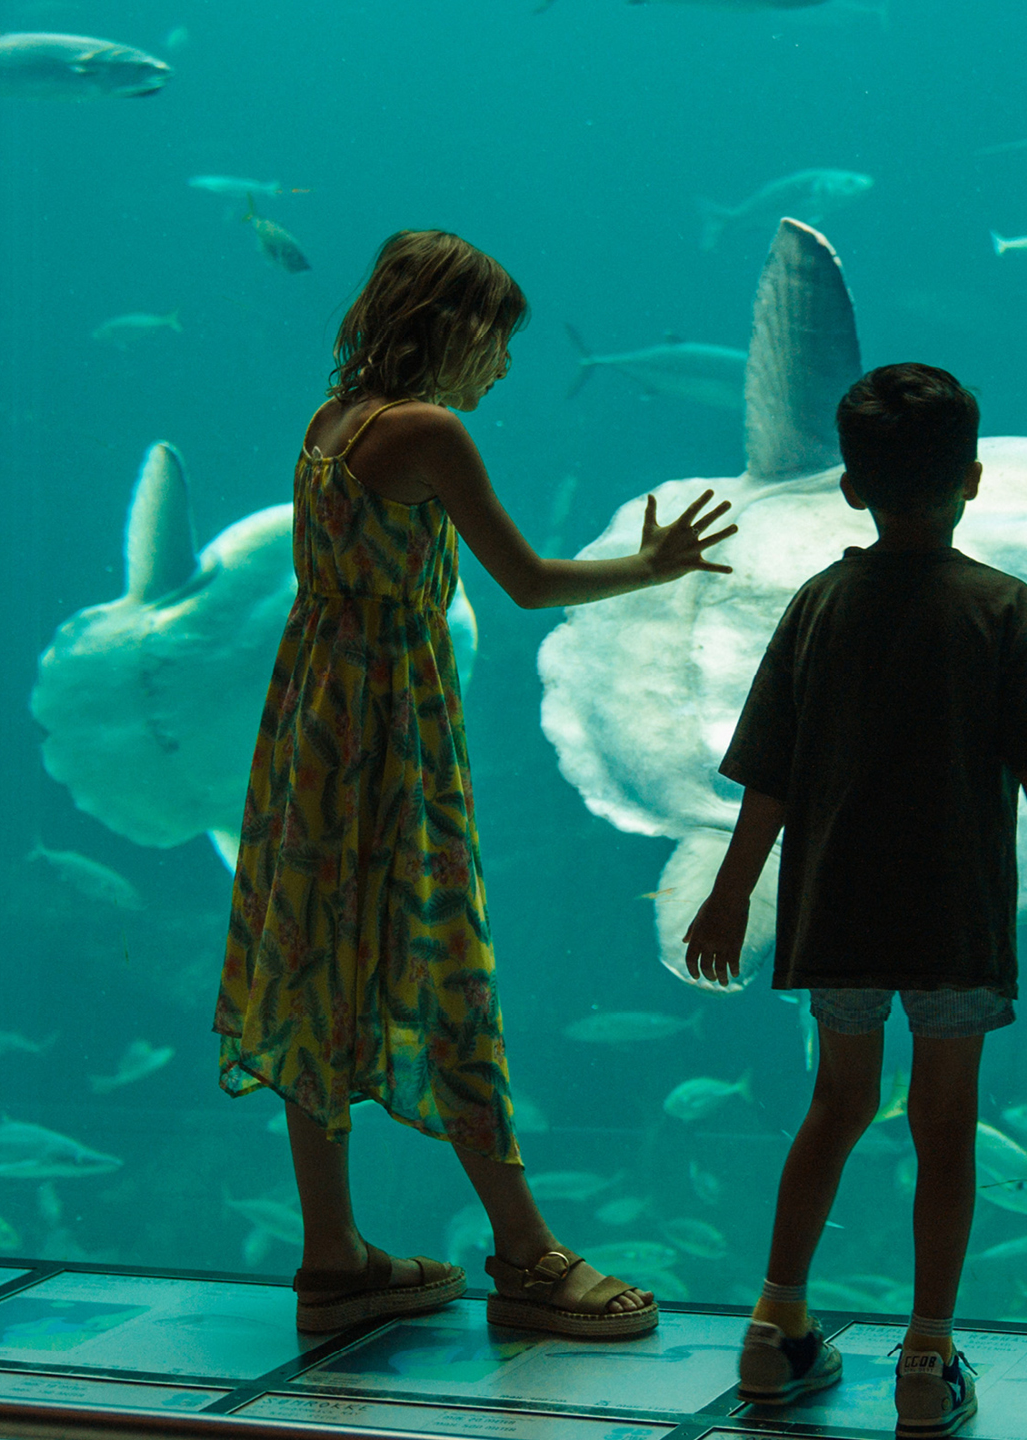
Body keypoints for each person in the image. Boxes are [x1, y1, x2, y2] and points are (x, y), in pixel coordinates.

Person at [217, 230, 738, 1338]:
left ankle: (332, 1260)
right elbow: (529, 580)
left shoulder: (333, 420)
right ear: (451, 328)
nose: (502, 368)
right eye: (497, 341)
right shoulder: (425, 431)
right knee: (443, 964)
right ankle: (528, 1254)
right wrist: (655, 565)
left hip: (314, 724)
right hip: (388, 736)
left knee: (318, 969)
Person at [681, 363, 1027, 1436]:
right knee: (946, 1128)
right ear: (973, 481)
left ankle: (772, 1330)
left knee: (834, 1109)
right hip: (954, 922)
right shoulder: (1000, 608)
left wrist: (728, 898)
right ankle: (925, 1361)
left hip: (836, 914)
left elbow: (771, 776)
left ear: (849, 486)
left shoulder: (818, 604)